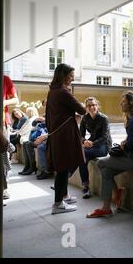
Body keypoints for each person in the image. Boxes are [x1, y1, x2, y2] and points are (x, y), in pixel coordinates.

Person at [87, 91, 133, 218]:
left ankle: (112, 199)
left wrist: (123, 144)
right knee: (107, 172)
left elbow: (130, 145)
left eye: (124, 101)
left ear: (131, 104)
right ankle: (110, 203)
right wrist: (125, 142)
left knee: (101, 162)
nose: (121, 103)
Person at [46, 63, 86, 214]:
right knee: (64, 167)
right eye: (70, 76)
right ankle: (58, 204)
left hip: (58, 135)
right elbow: (82, 109)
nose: (72, 79)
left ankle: (64, 195)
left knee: (64, 165)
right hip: (65, 135)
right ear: (63, 76)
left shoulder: (53, 91)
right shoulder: (63, 92)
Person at [78, 97, 112, 199]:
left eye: (94, 105)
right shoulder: (85, 118)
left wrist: (91, 143)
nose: (92, 107)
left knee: (82, 154)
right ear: (86, 107)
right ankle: (86, 187)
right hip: (91, 146)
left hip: (104, 146)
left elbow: (105, 137)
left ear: (97, 106)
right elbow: (80, 135)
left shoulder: (103, 118)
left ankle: (67, 176)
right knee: (83, 158)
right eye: (89, 105)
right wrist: (85, 141)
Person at [2, 75, 19, 200]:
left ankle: (4, 187)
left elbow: (15, 100)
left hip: (2, 122)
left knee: (3, 153)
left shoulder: (5, 79)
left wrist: (2, 101)